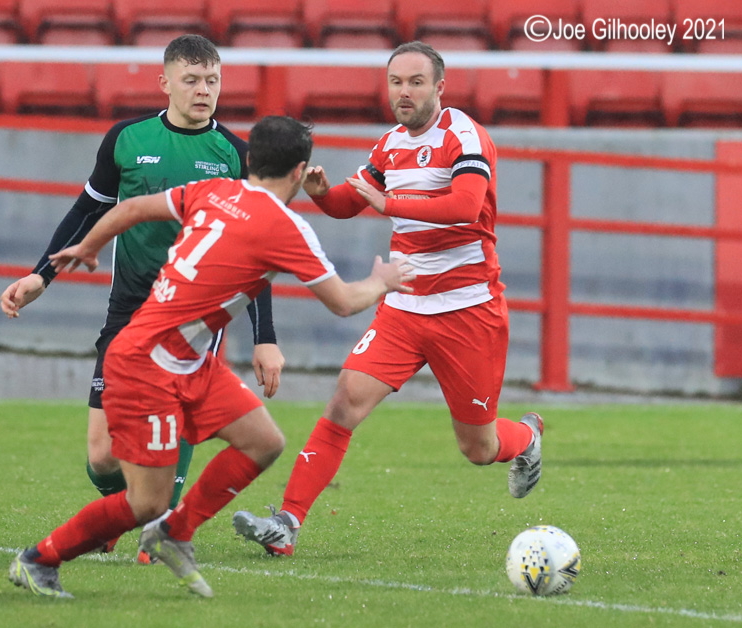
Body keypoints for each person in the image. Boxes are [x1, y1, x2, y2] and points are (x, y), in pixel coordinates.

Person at [7, 115, 414, 599]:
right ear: (300, 171)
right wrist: (382, 282)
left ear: (251, 159)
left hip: (191, 361)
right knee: (145, 501)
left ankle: (176, 532)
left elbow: (133, 206)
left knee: (263, 441)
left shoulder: (213, 190)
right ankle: (40, 559)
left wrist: (91, 246)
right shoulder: (286, 228)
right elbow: (344, 302)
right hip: (147, 363)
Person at [232, 41, 544, 557]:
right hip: (403, 304)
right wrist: (320, 193)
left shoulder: (464, 136)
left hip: (468, 310)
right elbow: (348, 204)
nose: (404, 91)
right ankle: (287, 523)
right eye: (396, 81)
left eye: (416, 82)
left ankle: (527, 438)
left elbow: (466, 206)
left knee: (478, 446)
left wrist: (391, 202)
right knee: (344, 402)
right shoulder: (390, 145)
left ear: (439, 87)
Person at [0, 35, 285, 556]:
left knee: (180, 419)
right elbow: (86, 212)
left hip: (196, 319)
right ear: (166, 83)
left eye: (213, 80)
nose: (204, 91)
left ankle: (162, 529)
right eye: (192, 80)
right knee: (103, 456)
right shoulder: (126, 139)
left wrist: (264, 337)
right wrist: (41, 275)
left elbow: (256, 254)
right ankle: (124, 512)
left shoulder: (237, 155)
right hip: (129, 310)